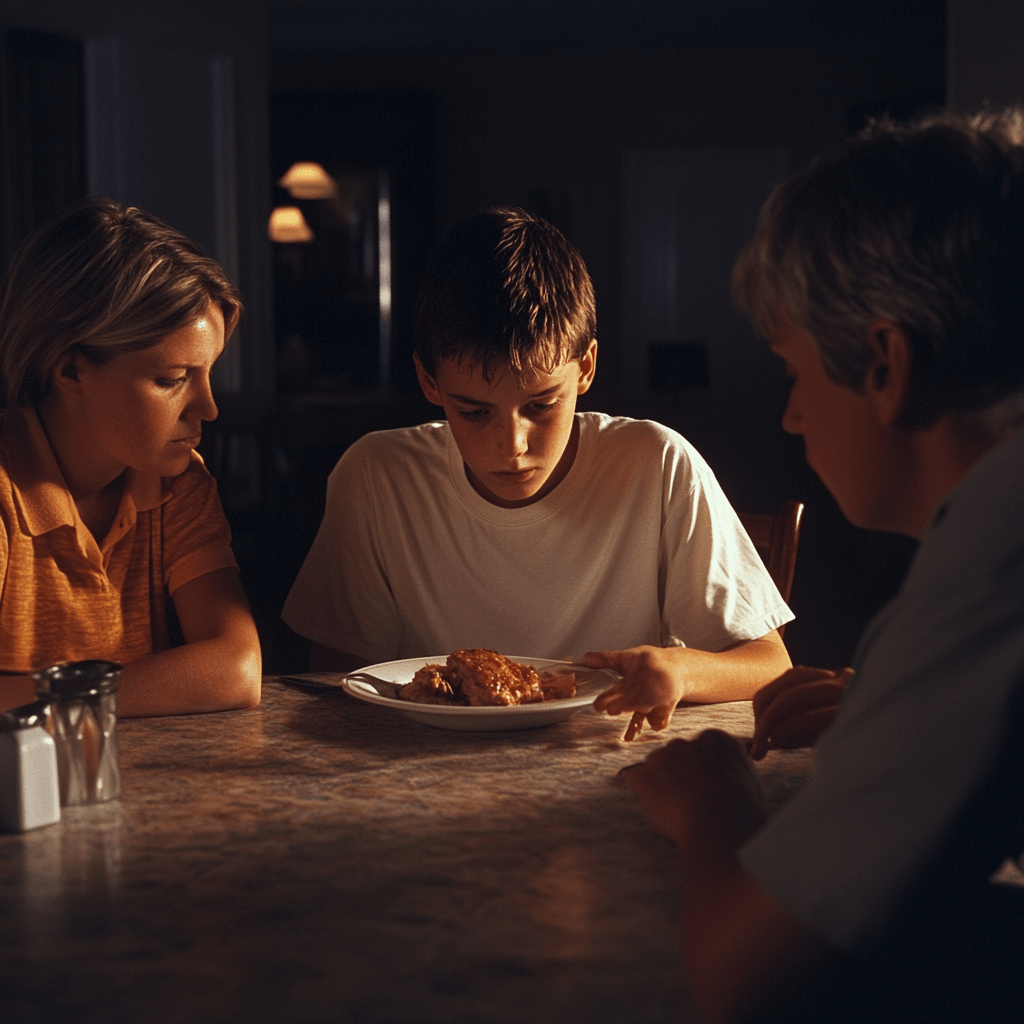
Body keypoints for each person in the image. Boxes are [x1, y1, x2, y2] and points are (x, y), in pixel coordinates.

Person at [623, 108, 1024, 1023]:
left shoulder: (996, 558)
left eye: (792, 371)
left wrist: (714, 801)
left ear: (884, 363)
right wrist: (909, 712)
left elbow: (744, 977)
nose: (791, 417)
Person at [283, 208, 792, 717]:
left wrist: (682, 670)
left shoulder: (657, 465)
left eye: (541, 406)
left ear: (586, 367)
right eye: (475, 412)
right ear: (428, 380)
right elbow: (340, 682)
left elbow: (769, 663)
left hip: (604, 766)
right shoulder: (377, 477)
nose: (513, 447)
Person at [0, 198, 262, 717]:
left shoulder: (178, 484)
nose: (208, 408)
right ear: (70, 370)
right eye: (172, 379)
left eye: (208, 373)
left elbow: (236, 668)